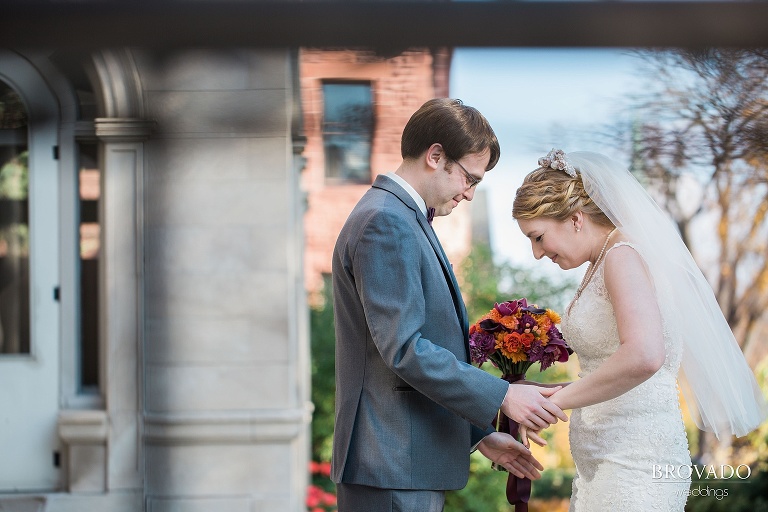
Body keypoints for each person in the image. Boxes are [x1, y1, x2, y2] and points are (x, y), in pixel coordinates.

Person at [330, 99, 567, 511]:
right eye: (469, 178)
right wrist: (501, 397)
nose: (471, 194)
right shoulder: (386, 222)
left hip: (402, 464)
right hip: (391, 465)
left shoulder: (405, 219)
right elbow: (404, 349)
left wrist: (479, 435)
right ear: (435, 156)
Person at [512, 149, 768, 511]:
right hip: (604, 463)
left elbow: (646, 356)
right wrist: (535, 394)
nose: (537, 253)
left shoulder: (622, 255)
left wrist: (553, 404)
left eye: (538, 237)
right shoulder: (603, 261)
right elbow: (609, 374)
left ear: (575, 218)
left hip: (635, 464)